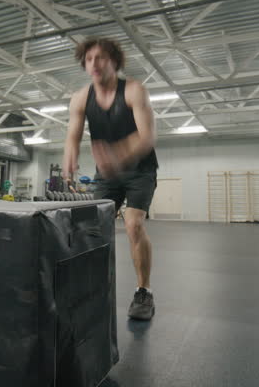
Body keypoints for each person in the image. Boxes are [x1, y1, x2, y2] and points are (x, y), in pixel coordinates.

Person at [62, 37, 158, 321]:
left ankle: (144, 292)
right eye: (89, 58)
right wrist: (70, 160)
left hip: (140, 169)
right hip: (107, 174)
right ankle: (92, 288)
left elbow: (148, 137)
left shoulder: (133, 91)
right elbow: (73, 136)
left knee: (133, 224)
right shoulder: (81, 98)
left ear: (115, 62)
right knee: (93, 228)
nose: (95, 63)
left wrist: (116, 154)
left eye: (101, 57)